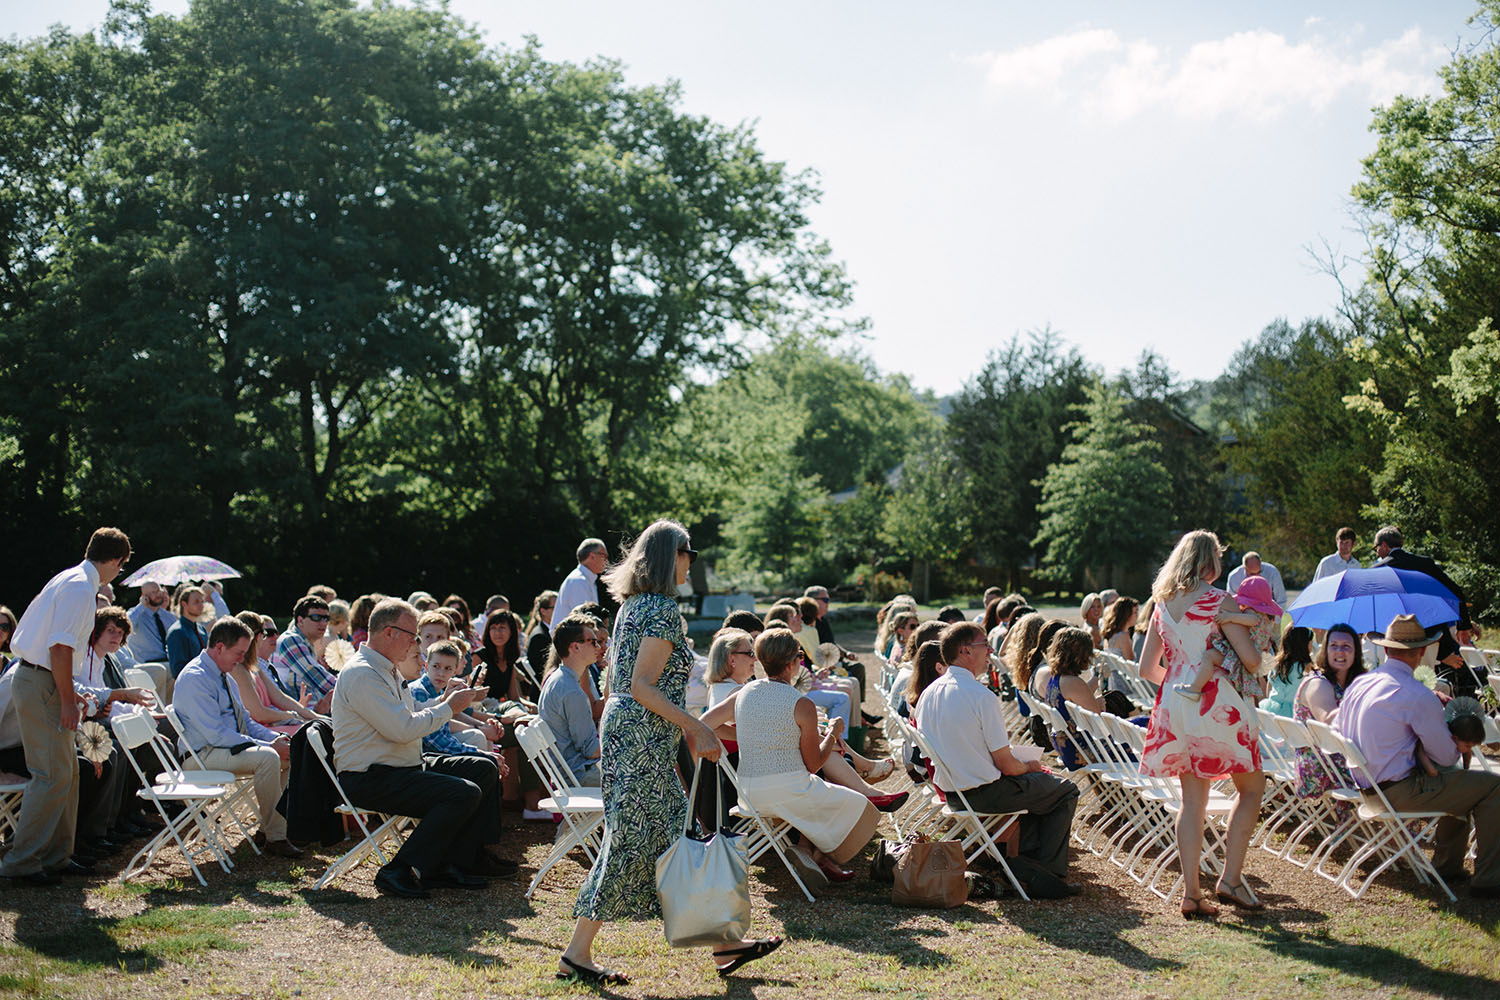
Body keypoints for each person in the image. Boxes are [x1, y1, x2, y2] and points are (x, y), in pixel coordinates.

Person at [560, 519, 780, 985]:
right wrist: (696, 727)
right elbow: (642, 686)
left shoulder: (634, 606)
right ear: (669, 556)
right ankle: (578, 953)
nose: (691, 563)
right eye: (688, 554)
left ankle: (723, 943)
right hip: (641, 736)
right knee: (634, 840)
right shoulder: (658, 608)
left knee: (668, 835)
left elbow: (629, 684)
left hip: (633, 735)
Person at [332, 598, 515, 898]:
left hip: (400, 768)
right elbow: (403, 729)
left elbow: (411, 716)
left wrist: (450, 705)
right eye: (412, 635)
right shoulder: (363, 673)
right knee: (463, 792)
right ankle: (400, 869)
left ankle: (462, 859)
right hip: (370, 777)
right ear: (389, 632)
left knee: (485, 766)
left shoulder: (385, 670)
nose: (415, 642)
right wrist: (448, 708)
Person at [1138, 529, 1267, 918]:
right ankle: (1230, 878)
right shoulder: (1218, 601)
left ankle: (1192, 893)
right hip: (1217, 702)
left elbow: (1147, 669)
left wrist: (1181, 687)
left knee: (1192, 802)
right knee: (1252, 787)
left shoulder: (1161, 604)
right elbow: (1252, 661)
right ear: (1209, 560)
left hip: (1176, 702)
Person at [0, 527, 131, 885]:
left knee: (68, 772)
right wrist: (70, 699)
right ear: (116, 561)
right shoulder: (79, 588)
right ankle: (21, 861)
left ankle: (57, 855)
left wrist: (71, 693)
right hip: (42, 681)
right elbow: (59, 649)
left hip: (44, 680)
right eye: (121, 566)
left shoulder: (72, 580)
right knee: (50, 775)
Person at [1336, 614, 1500, 899]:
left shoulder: (1361, 684)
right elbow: (1448, 756)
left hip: (1366, 789)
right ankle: (1489, 878)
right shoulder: (1414, 693)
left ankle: (1448, 866)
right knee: (1493, 785)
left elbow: (1338, 731)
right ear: (1423, 651)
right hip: (1398, 792)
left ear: (1386, 649)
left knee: (1459, 784)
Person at [700, 628, 880, 885]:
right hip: (790, 792)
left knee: (826, 797)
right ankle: (818, 855)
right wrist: (833, 733)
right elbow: (814, 764)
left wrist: (749, 737)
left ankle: (811, 853)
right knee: (863, 807)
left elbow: (705, 722)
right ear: (793, 664)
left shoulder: (744, 693)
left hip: (748, 794)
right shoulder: (800, 703)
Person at [914, 621, 1081, 895]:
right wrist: (1030, 766)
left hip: (953, 790)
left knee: (1040, 789)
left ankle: (1021, 864)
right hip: (985, 793)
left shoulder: (929, 693)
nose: (990, 651)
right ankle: (1047, 875)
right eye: (984, 645)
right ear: (966, 651)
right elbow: (1006, 766)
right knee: (1065, 790)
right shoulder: (981, 696)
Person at [172, 616, 301, 857]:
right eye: (239, 653)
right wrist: (268, 745)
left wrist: (277, 740)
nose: (243, 659)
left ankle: (268, 830)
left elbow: (246, 723)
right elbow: (216, 735)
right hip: (201, 755)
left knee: (289, 754)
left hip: (222, 749)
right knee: (268, 758)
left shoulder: (225, 676)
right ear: (219, 647)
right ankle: (276, 837)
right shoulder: (195, 678)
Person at [1290, 623, 1364, 805]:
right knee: (1392, 775)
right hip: (1320, 766)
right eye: (1334, 646)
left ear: (1356, 653)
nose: (1340, 651)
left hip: (1339, 759)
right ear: (1325, 650)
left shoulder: (1354, 682)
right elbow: (1329, 720)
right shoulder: (1318, 683)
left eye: (1346, 647)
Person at [1176, 575, 1281, 704]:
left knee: (1209, 657)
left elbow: (1253, 620)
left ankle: (1195, 688)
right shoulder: (1267, 618)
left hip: (1243, 656)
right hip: (1256, 656)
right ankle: (1265, 706)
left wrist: (1230, 617)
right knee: (1258, 684)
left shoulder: (1251, 613)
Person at [229, 611, 320, 736]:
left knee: (319, 728)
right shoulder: (238, 669)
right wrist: (291, 715)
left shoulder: (253, 667)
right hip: (259, 732)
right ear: (257, 636)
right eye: (265, 634)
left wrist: (315, 717)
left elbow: (279, 698)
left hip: (271, 727)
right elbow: (259, 714)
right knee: (314, 734)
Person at [536, 617, 602, 786]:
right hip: (579, 777)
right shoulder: (572, 691)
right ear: (575, 647)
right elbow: (592, 751)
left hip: (568, 774)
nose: (599, 647)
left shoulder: (558, 679)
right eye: (593, 642)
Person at [1043, 626, 1104, 771]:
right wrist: (1100, 705)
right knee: (1142, 727)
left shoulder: (1055, 679)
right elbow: (1099, 721)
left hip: (1067, 748)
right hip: (1083, 750)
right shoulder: (1073, 682)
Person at [271, 595, 334, 713]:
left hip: (308, 714)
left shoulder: (306, 643)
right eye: (316, 617)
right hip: (299, 718)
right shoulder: (291, 640)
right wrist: (350, 687)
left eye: (326, 618)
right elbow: (319, 679)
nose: (323, 623)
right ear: (300, 620)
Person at [125, 582, 175, 702]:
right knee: (163, 670)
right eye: (153, 592)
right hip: (146, 663)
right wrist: (141, 605)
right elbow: (125, 625)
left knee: (178, 668)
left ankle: (169, 713)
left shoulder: (168, 617)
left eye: (158, 591)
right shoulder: (136, 614)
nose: (158, 594)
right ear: (144, 596)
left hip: (166, 661)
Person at [1261, 625, 1312, 719]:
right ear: (1305, 645)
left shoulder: (1276, 664)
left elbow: (1269, 689)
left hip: (1272, 712)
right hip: (1293, 715)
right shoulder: (1306, 669)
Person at [555, 538, 608, 623]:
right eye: (604, 556)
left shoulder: (585, 580)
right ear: (592, 556)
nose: (607, 561)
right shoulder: (578, 581)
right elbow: (584, 621)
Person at [165, 585, 208, 678]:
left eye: (202, 601)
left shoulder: (201, 629)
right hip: (191, 684)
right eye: (196, 602)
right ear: (184, 604)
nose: (201, 605)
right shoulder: (177, 632)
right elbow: (177, 670)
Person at [524, 590, 558, 695]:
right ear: (543, 611)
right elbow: (543, 671)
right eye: (556, 607)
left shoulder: (547, 632)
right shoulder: (539, 636)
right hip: (544, 694)